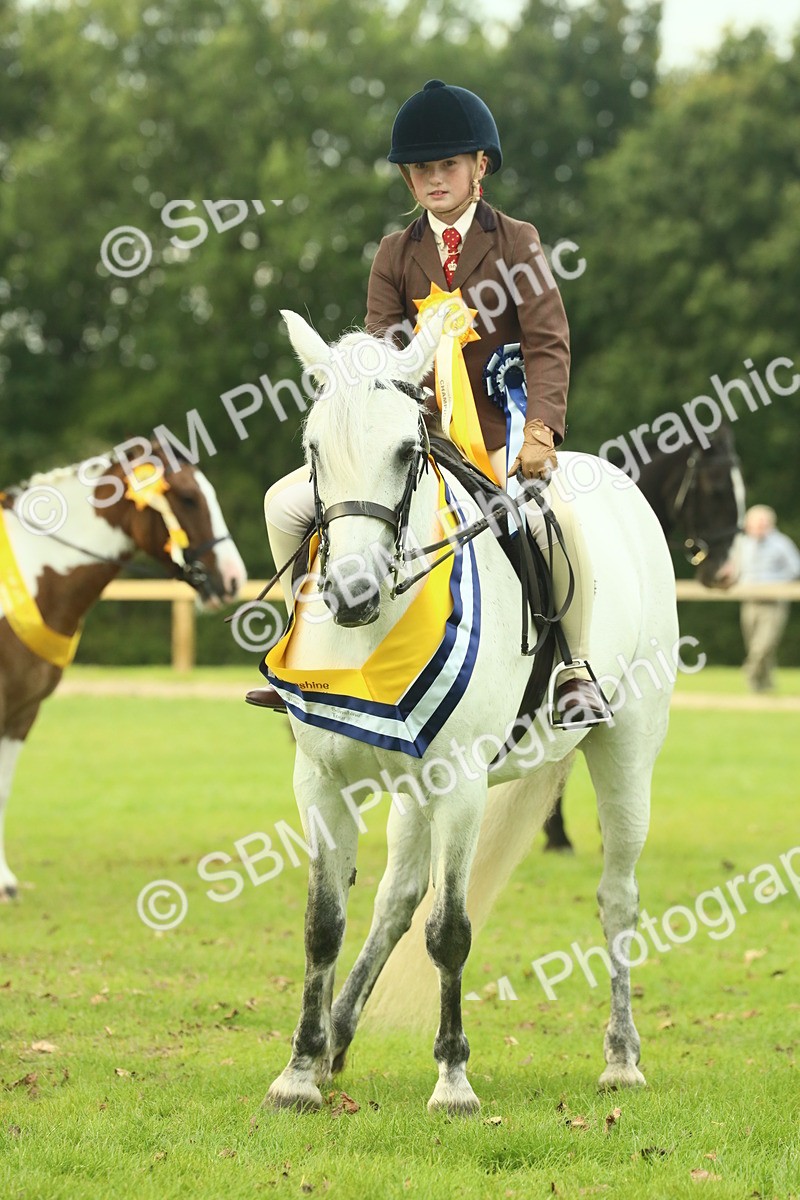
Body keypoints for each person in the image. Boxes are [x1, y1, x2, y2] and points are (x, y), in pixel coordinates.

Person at [247, 80, 608, 726]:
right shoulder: (395, 253)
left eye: (447, 165)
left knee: (559, 519)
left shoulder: (517, 241)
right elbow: (382, 355)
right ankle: (305, 642)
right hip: (414, 437)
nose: (434, 179)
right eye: (421, 170)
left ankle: (575, 668)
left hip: (500, 428)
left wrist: (542, 433)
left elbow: (549, 343)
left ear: (479, 168)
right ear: (408, 182)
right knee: (284, 505)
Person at [735, 505, 800, 692]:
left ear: (771, 524)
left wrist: (775, 584)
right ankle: (763, 687)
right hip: (749, 601)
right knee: (756, 646)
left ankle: (749, 671)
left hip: (773, 602)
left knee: (763, 646)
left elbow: (795, 569)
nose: (759, 527)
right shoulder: (742, 543)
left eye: (763, 523)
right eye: (755, 523)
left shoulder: (781, 543)